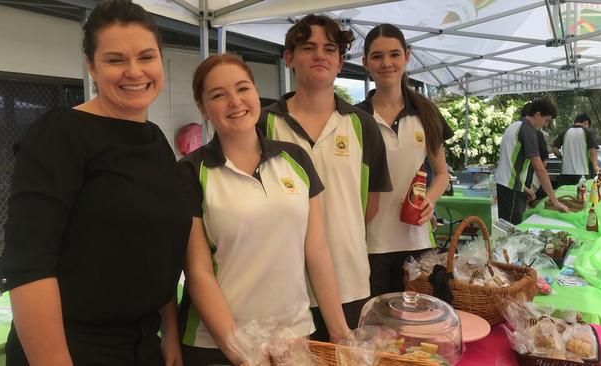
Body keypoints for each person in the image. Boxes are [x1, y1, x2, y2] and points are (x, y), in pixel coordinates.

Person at [0, 1, 192, 364]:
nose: (134, 71)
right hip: (71, 346)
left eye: (146, 57)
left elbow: (158, 246)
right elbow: (29, 266)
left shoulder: (155, 141)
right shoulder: (59, 135)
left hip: (142, 343)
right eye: (115, 59)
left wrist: (169, 333)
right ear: (91, 66)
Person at [176, 54, 349, 365]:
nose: (235, 101)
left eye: (243, 88)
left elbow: (317, 249)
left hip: (292, 337)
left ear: (255, 92)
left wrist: (339, 332)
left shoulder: (295, 158)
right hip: (216, 345)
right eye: (218, 95)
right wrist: (242, 354)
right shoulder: (190, 172)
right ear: (202, 108)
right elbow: (198, 271)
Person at [257, 14, 392, 341]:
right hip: (283, 285)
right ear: (289, 58)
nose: (320, 55)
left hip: (349, 281)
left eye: (329, 49)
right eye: (308, 47)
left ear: (340, 61)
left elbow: (370, 206)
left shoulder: (363, 125)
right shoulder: (262, 125)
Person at [354, 23, 453, 296]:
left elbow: (442, 174)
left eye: (394, 54)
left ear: (407, 57)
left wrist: (429, 201)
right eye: (377, 56)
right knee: (377, 328)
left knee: (417, 326)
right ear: (365, 63)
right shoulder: (354, 119)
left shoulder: (426, 112)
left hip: (417, 242)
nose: (386, 63)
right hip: (369, 244)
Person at [494, 98, 568, 224]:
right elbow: (539, 168)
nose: (545, 125)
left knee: (505, 226)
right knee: (511, 228)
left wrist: (523, 187)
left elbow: (509, 164)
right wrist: (554, 200)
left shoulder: (515, 126)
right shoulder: (528, 131)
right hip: (511, 189)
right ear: (537, 114)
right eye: (546, 120)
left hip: (505, 185)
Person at [552, 113, 600, 186]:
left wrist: (562, 158)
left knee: (565, 194)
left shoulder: (564, 132)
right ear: (586, 122)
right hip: (583, 173)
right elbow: (593, 151)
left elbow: (554, 149)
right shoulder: (587, 132)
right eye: (588, 126)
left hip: (565, 172)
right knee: (582, 195)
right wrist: (596, 167)